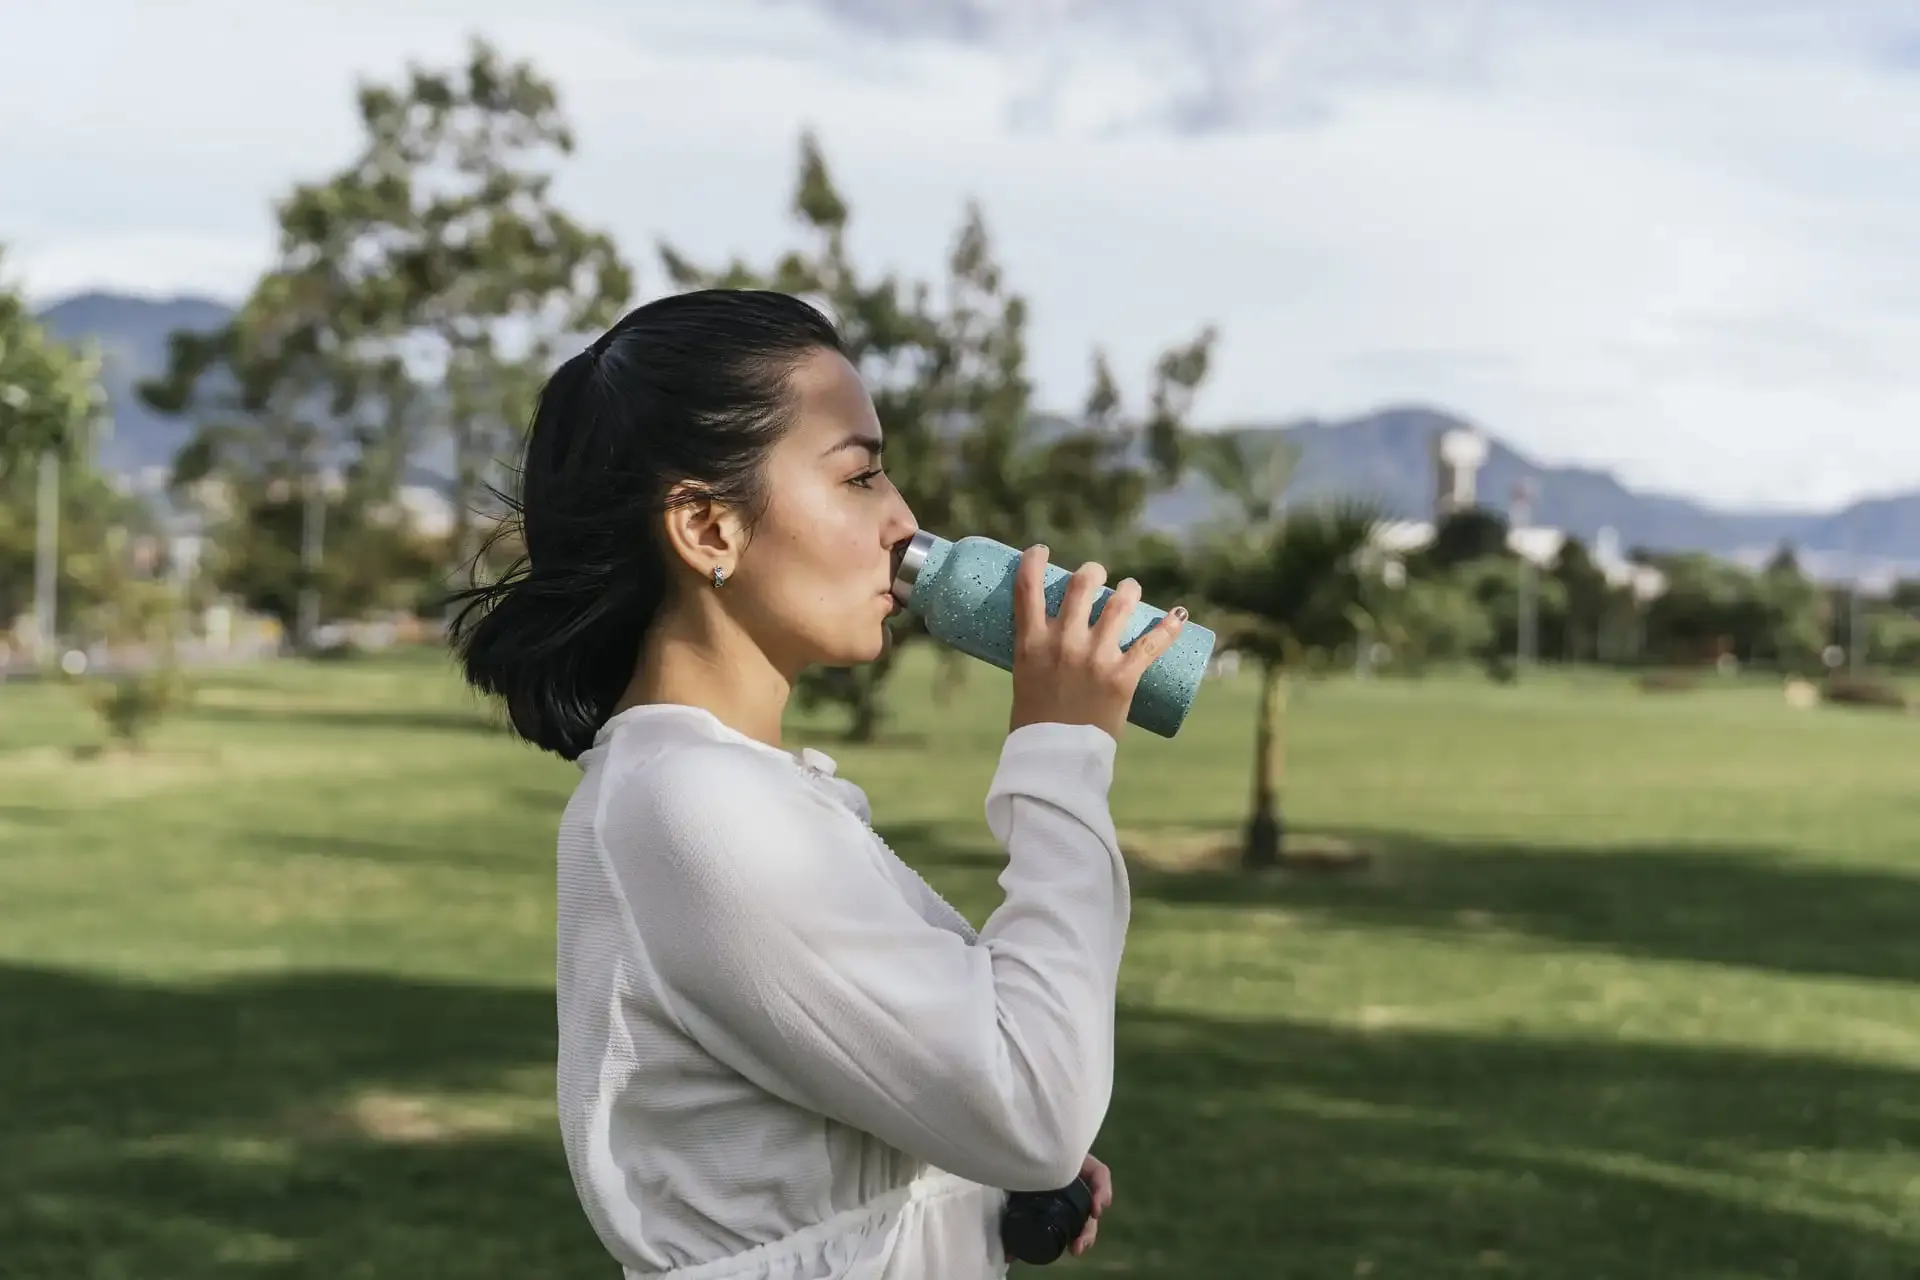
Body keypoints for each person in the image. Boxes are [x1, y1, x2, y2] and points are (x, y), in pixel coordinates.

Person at [451, 289, 1188, 1279]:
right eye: (861, 476)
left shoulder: (720, 789)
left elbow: (936, 1103)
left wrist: (966, 1178)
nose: (905, 522)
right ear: (708, 527)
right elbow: (1033, 1107)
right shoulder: (692, 810)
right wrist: (1060, 751)